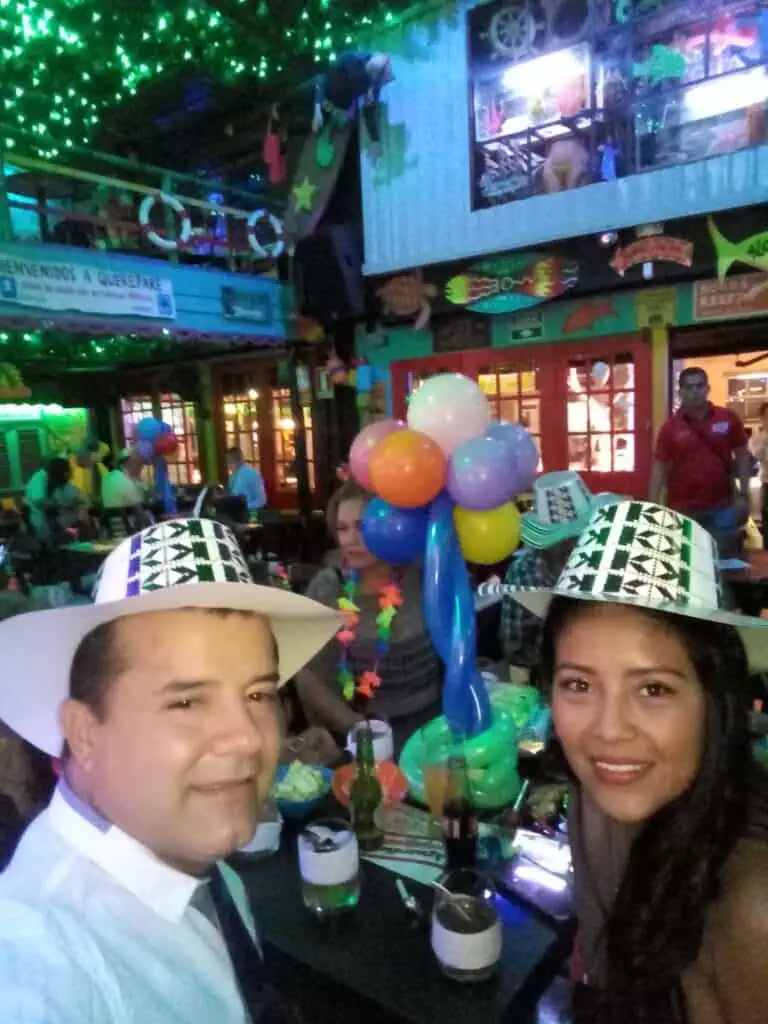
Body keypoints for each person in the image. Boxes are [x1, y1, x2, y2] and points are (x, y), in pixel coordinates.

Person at [0, 517, 339, 1023]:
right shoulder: (41, 958)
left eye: (258, 694)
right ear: (85, 735)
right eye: (186, 701)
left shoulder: (200, 860)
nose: (248, 737)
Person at [509, 498, 768, 1023]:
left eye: (653, 688)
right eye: (578, 684)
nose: (608, 731)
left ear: (713, 698)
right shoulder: (592, 792)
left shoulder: (751, 906)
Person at [296, 480, 443, 755]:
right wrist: (356, 728)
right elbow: (307, 675)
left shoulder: (422, 575)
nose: (350, 540)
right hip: (367, 738)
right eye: (342, 528)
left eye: (362, 527)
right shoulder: (328, 588)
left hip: (435, 732)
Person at [500, 472, 621, 683]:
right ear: (545, 545)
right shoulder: (523, 573)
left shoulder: (609, 559)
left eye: (581, 536)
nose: (574, 546)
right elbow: (514, 648)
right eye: (563, 541)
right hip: (549, 677)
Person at [650, 367, 751, 554]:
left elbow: (743, 456)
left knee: (723, 560)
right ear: (680, 392)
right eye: (689, 387)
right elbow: (659, 467)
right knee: (686, 560)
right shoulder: (670, 428)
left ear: (707, 388)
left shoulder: (727, 418)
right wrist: (652, 506)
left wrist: (744, 495)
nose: (695, 391)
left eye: (699, 386)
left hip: (722, 507)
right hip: (682, 510)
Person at [24, 457, 87, 538]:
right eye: (68, 471)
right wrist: (63, 503)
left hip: (62, 524)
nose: (71, 473)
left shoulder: (60, 482)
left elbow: (75, 498)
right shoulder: (39, 479)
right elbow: (40, 503)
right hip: (43, 525)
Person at [226, 446, 267, 515]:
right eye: (228, 462)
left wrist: (245, 507)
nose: (228, 466)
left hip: (252, 515)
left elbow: (262, 499)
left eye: (229, 462)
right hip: (237, 515)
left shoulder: (252, 474)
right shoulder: (232, 477)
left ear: (238, 461)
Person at [750, 401, 768, 547]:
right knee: (766, 515)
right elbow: (758, 456)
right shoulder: (757, 439)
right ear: (762, 418)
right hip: (767, 482)